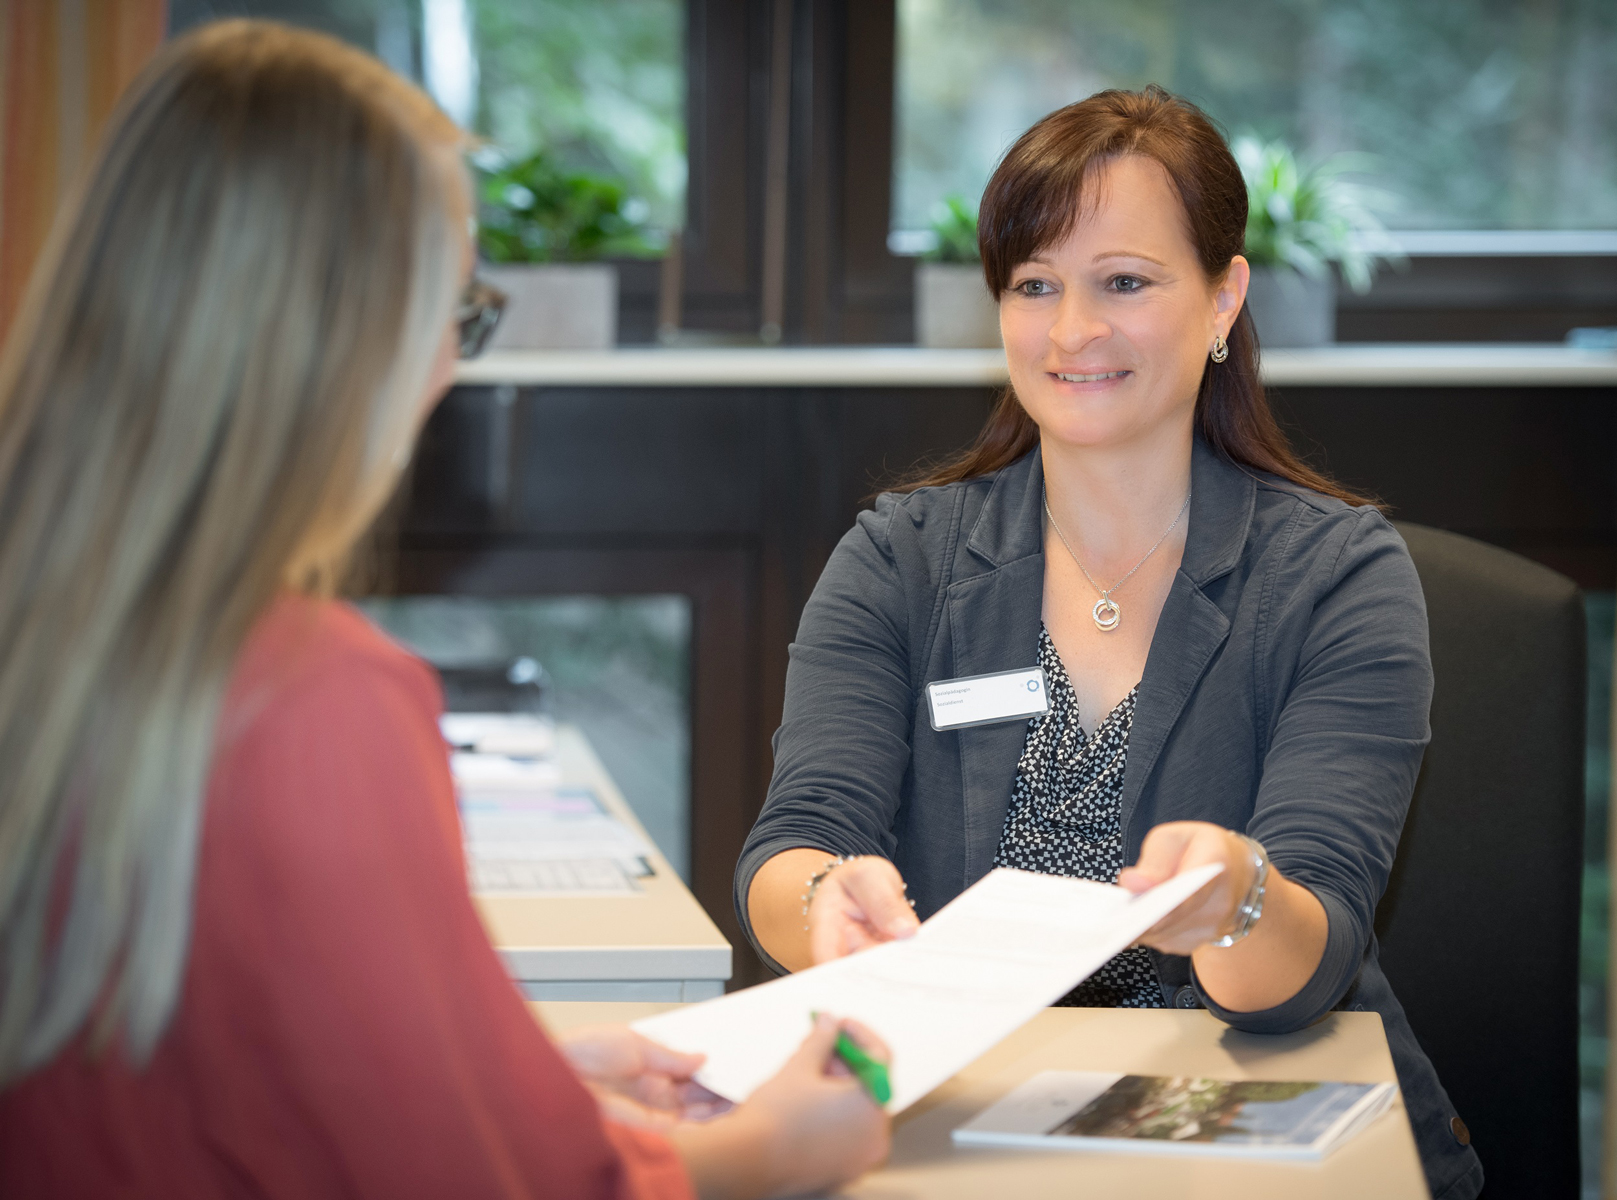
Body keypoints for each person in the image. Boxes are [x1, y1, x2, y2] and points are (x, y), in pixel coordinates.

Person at [0, 22, 887, 1199]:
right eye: (455, 313)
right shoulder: (316, 700)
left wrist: (535, 1077)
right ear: (346, 332)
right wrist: (776, 1149)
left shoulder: (57, 629)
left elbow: (224, 1062)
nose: (447, 371)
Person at [737, 86, 1481, 1200]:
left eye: (1123, 283)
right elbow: (791, 847)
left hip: (1248, 1136)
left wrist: (1238, 895)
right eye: (1035, 286)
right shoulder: (902, 560)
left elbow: (1299, 968)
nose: (1072, 330)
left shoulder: (1337, 578)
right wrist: (820, 904)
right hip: (963, 1133)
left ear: (1224, 297)